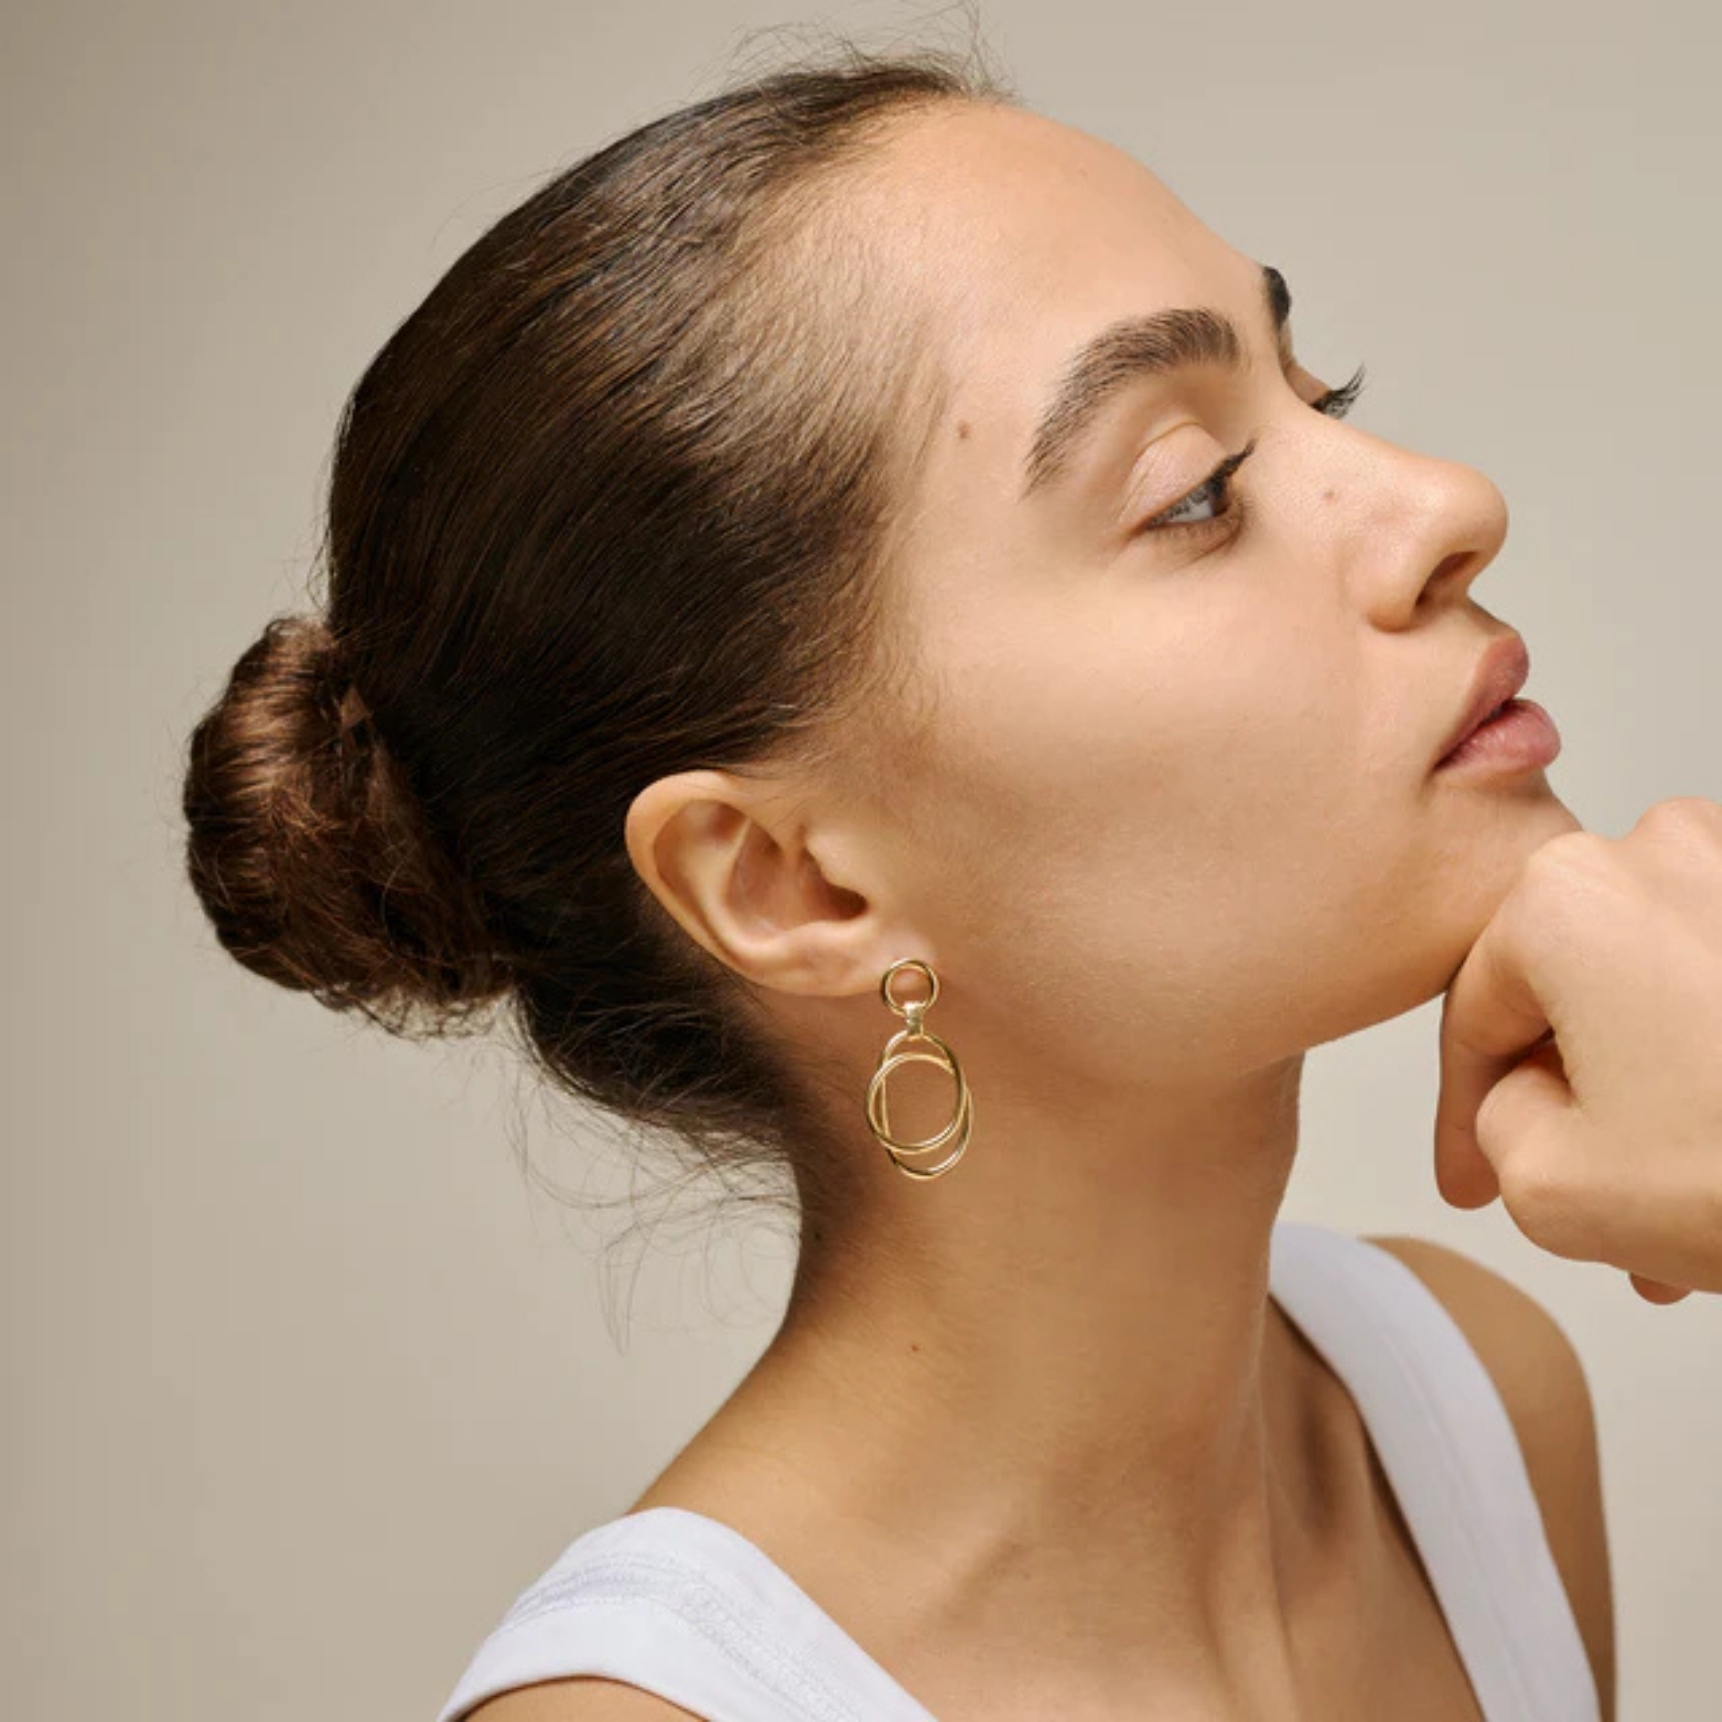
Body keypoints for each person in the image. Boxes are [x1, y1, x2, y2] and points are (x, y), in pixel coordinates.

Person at [181, 33, 1722, 1722]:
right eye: (1196, 492)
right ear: (793, 884)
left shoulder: (1469, 1410)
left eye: (1314, 393)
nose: (1446, 504)